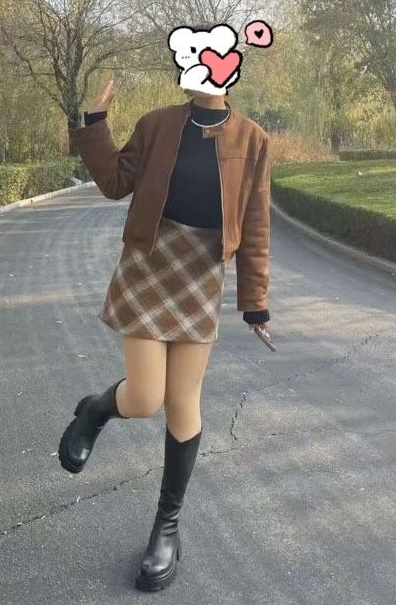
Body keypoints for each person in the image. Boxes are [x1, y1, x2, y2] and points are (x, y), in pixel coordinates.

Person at [58, 76, 272, 592]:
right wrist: (95, 123)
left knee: (183, 402)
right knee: (145, 397)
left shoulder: (253, 139)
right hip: (148, 266)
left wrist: (255, 302)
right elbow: (115, 182)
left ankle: (166, 529)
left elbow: (256, 221)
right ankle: (96, 410)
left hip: (201, 276)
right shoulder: (156, 125)